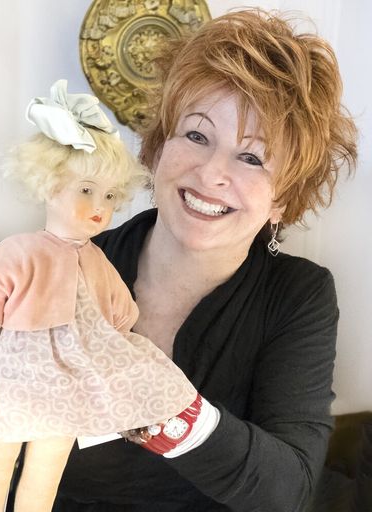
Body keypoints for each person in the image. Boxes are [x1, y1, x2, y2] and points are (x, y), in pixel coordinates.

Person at [51, 8, 358, 512]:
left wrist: (166, 408)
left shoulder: (298, 293)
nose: (212, 174)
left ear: (282, 200)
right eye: (197, 135)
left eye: (252, 157)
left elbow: (288, 489)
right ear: (158, 149)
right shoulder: (69, 263)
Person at [0, 79, 198, 512]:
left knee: (44, 476)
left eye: (109, 195)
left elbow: (119, 325)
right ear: (50, 185)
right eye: (86, 190)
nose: (100, 206)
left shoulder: (97, 262)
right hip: (12, 385)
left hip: (67, 390)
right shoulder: (18, 251)